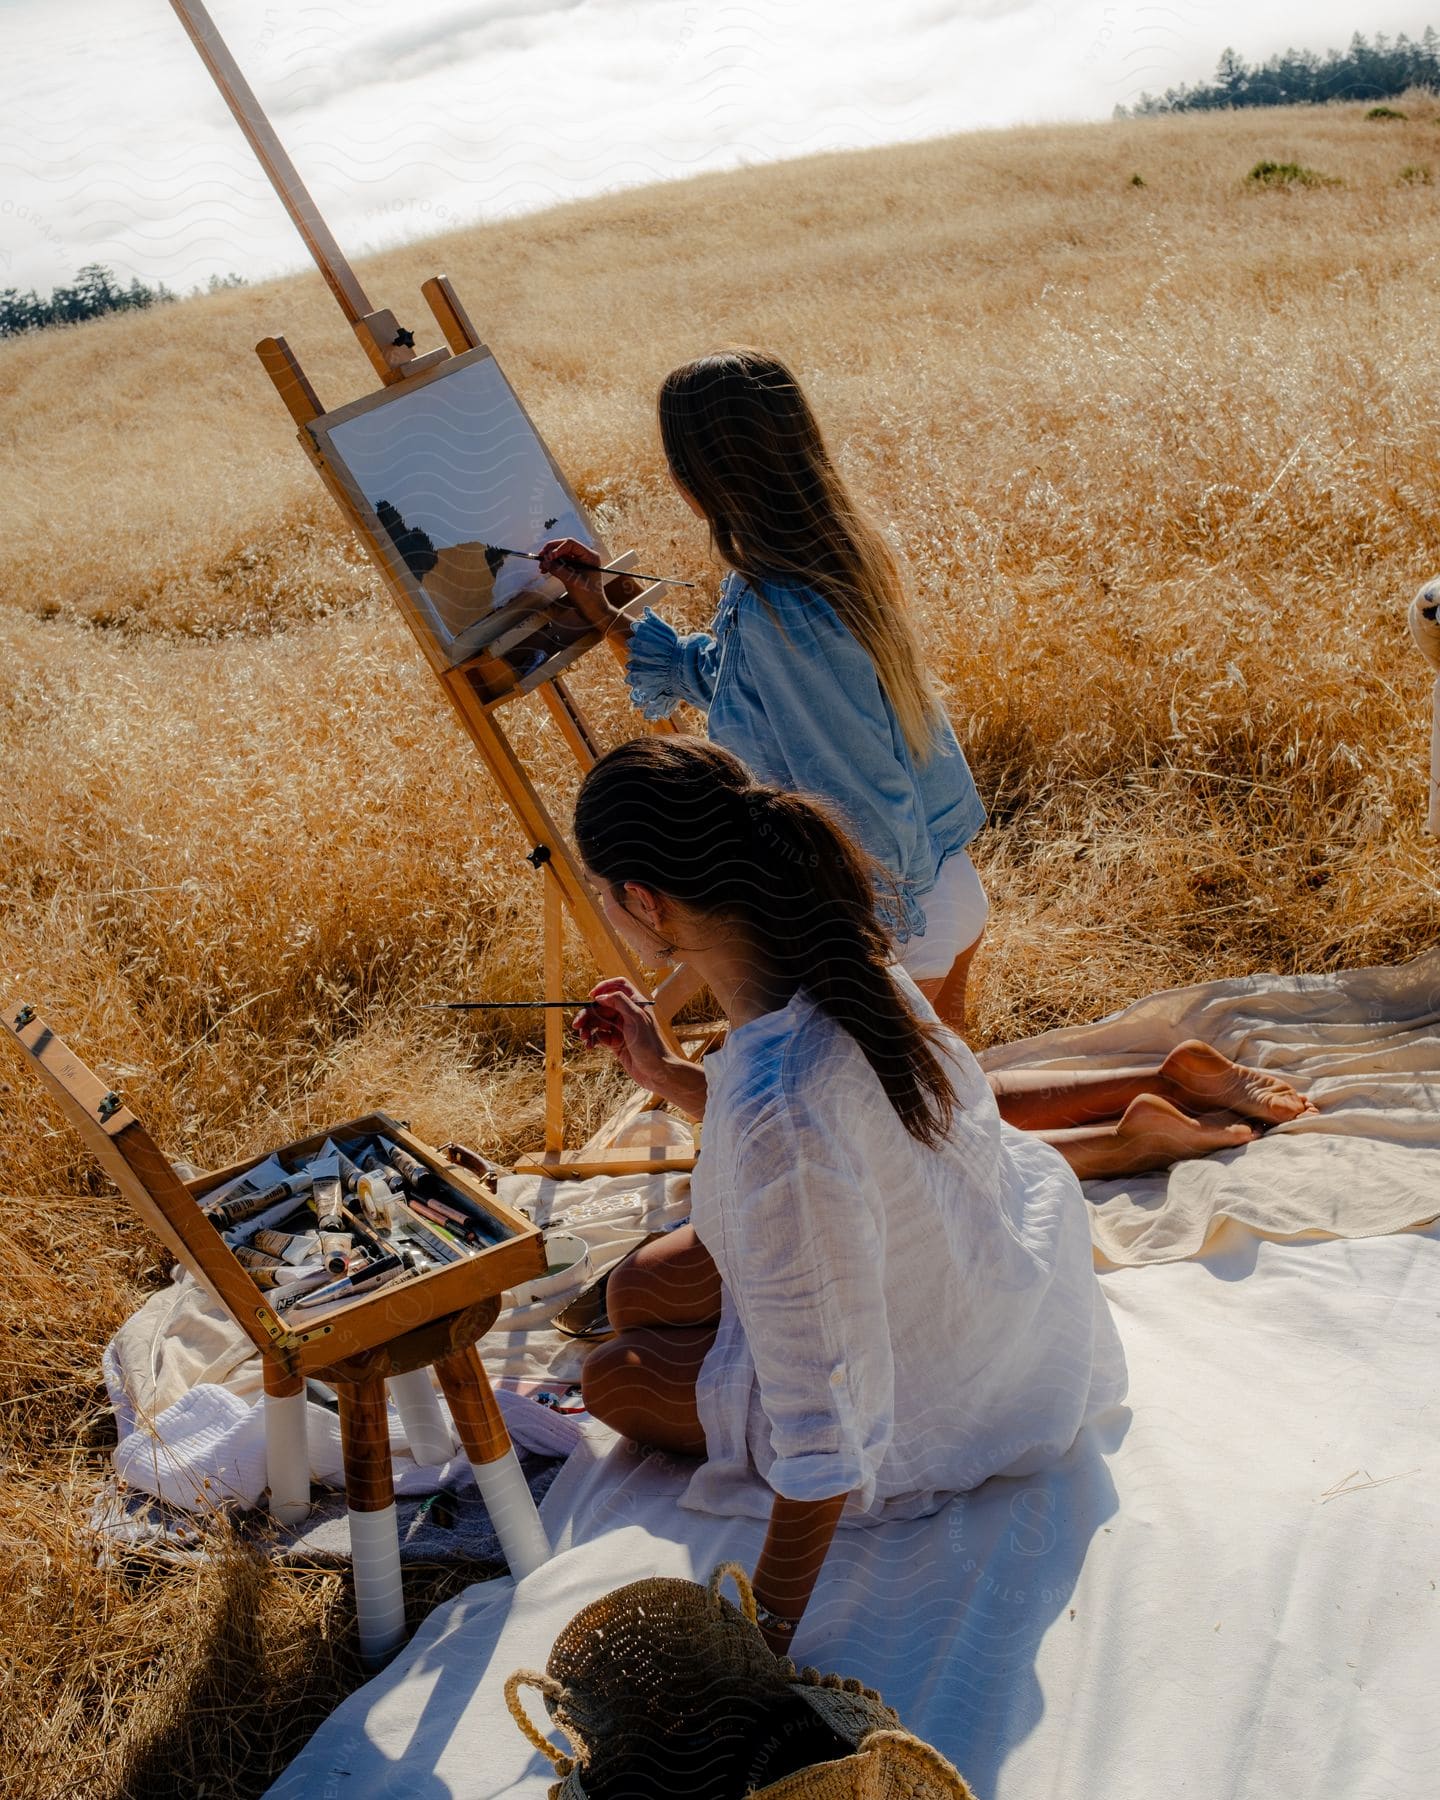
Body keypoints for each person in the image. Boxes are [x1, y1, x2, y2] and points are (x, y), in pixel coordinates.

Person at [568, 734, 1128, 1652]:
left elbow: (824, 1434)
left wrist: (764, 1636)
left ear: (643, 902)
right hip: (986, 1282)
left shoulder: (777, 1115)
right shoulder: (834, 955)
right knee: (632, 1293)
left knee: (610, 1378)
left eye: (603, 893)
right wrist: (666, 1073)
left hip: (947, 1385)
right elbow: (827, 1143)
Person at [536, 346, 989, 1033]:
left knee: (917, 1131)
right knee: (965, 1120)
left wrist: (865, 948)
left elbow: (854, 787)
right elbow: (730, 680)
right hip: (941, 886)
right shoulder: (825, 558)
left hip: (893, 915)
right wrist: (609, 612)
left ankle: (1150, 1114)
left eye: (675, 462)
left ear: (701, 478)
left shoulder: (782, 604)